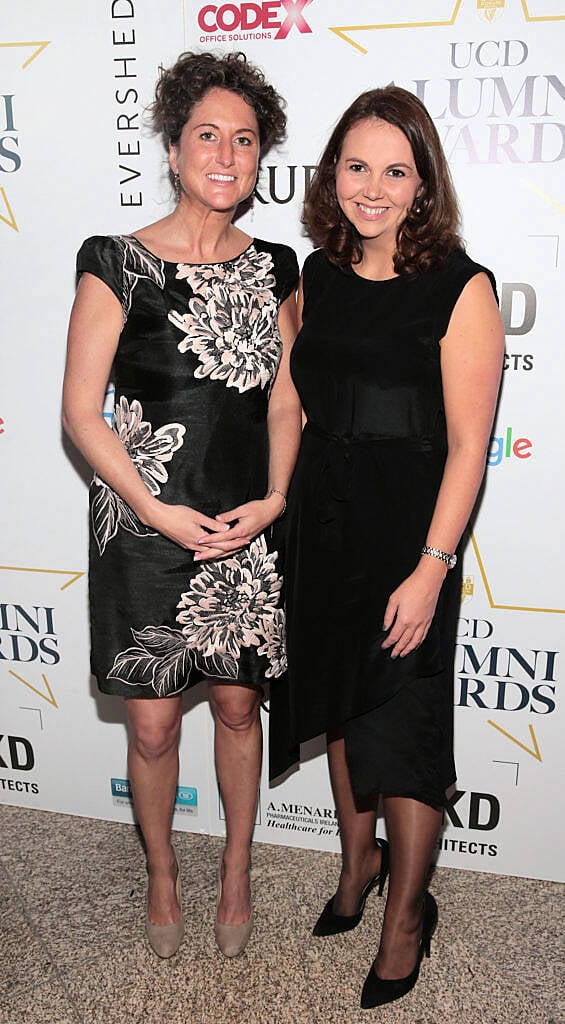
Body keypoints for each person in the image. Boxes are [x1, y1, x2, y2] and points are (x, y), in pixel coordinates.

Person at [269, 86, 504, 1008]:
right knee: (338, 705)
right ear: (333, 173)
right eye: (356, 166)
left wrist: (431, 569)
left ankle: (408, 914)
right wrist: (276, 501)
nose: (372, 187)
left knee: (401, 726)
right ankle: (356, 865)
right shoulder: (314, 276)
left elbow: (467, 447)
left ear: (423, 181)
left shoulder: (460, 284)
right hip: (319, 525)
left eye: (394, 170)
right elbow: (292, 397)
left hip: (408, 533)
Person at [62, 51, 300, 960]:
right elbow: (82, 411)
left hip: (245, 528)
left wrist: (275, 499)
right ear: (171, 149)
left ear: (257, 158)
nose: (226, 154)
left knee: (240, 711)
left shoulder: (277, 266)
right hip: (142, 527)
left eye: (244, 140)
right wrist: (154, 511)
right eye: (208, 135)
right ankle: (162, 872)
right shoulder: (115, 261)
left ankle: (235, 869)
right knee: (154, 724)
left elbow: (284, 399)